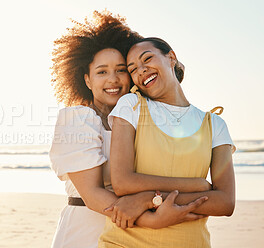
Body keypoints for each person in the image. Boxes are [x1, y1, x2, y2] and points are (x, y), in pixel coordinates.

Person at [49, 11, 210, 248]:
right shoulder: (76, 119)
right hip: (86, 230)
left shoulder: (138, 117)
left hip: (131, 236)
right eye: (102, 72)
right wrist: (153, 219)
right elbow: (93, 195)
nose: (113, 79)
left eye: (121, 70)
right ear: (87, 80)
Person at [98, 37, 235, 247]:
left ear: (171, 57)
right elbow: (123, 182)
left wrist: (148, 199)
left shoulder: (214, 124)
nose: (141, 70)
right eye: (133, 69)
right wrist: (197, 186)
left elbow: (225, 202)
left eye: (147, 59)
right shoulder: (131, 106)